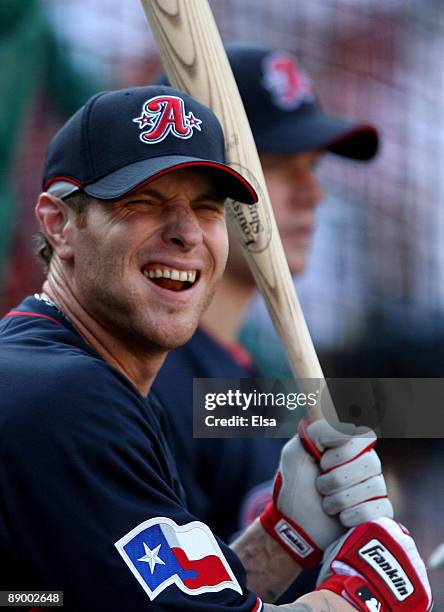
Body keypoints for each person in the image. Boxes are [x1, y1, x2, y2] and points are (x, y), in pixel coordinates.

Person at [0, 84, 431, 611]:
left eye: (207, 208)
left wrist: (282, 537)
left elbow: (100, 595)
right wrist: (367, 596)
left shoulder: (83, 375)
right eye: (143, 201)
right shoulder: (71, 394)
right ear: (58, 225)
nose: (185, 231)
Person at [152, 43, 379, 543]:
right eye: (276, 165)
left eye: (313, 166)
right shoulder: (149, 374)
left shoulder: (241, 379)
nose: (313, 194)